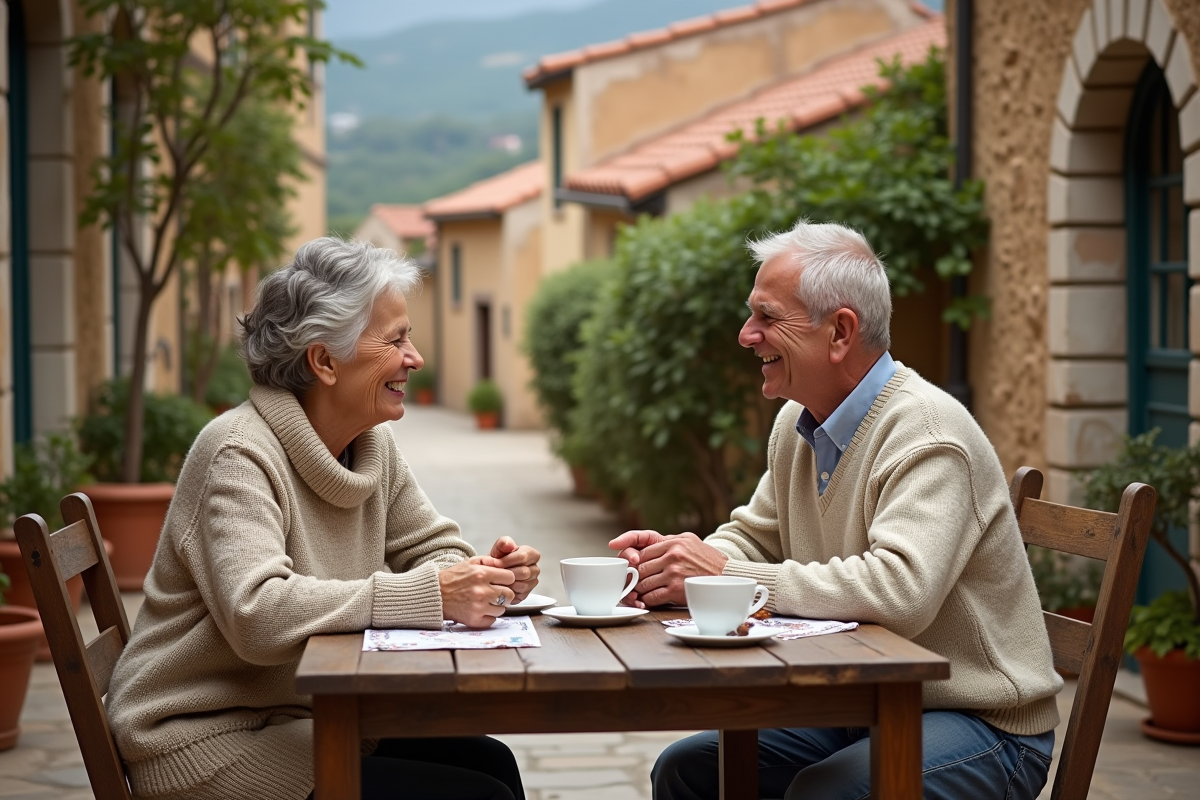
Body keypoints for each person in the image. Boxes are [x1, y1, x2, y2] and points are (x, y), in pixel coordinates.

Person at [610, 221, 1062, 800]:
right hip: (863, 705)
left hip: (983, 723)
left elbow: (900, 592)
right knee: (690, 767)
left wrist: (725, 577)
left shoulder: (927, 433)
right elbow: (755, 538)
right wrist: (672, 566)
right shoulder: (797, 424)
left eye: (768, 317)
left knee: (826, 792)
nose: (747, 335)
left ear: (840, 332)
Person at [106, 238, 537, 800]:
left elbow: (434, 550)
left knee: (492, 763)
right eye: (396, 339)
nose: (416, 357)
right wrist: (433, 593)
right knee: (479, 796)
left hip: (300, 716)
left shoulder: (369, 445)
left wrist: (484, 578)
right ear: (324, 361)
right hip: (203, 739)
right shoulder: (238, 453)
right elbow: (257, 613)